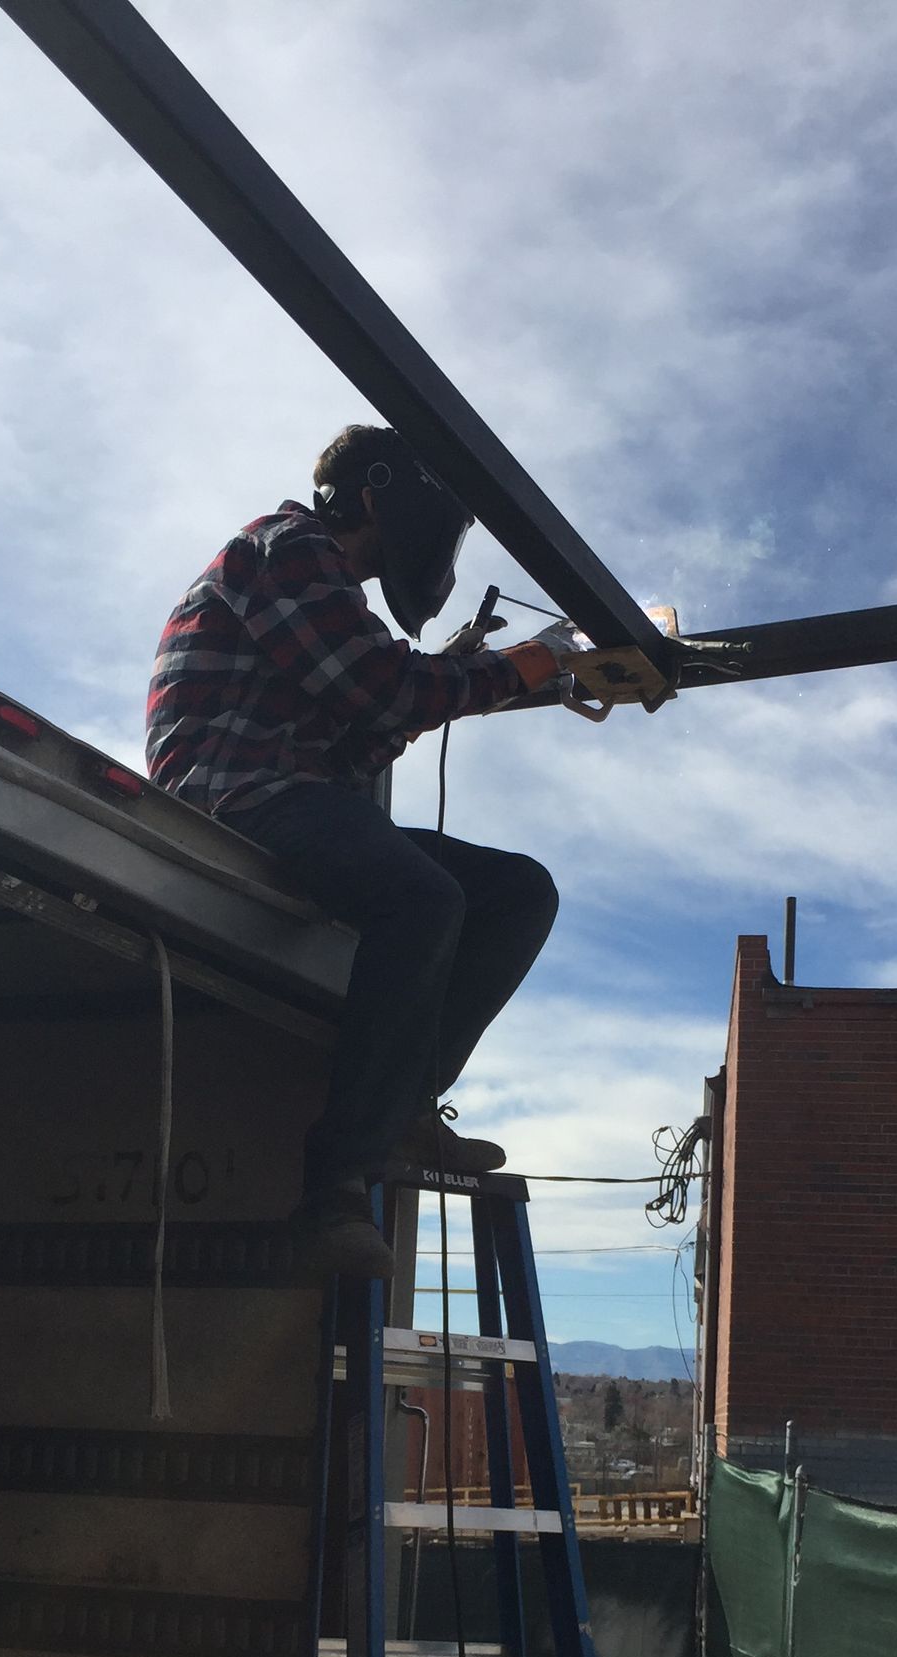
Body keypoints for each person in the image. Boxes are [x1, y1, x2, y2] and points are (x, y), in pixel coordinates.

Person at [146, 423, 573, 1280]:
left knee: (518, 891)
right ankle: (335, 1183)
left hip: (293, 789)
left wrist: (444, 690)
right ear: (380, 492)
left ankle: (407, 1102)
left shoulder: (330, 587)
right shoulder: (286, 545)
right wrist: (516, 670)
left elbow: (354, 735)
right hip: (231, 794)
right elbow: (377, 687)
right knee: (421, 897)